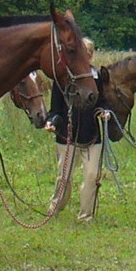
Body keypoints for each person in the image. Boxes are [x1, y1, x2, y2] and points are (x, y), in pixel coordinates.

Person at [44, 82, 105, 222]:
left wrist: (104, 112)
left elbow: (103, 102)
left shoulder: (95, 77)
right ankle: (55, 207)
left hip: (92, 138)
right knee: (64, 177)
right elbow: (55, 110)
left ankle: (86, 216)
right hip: (67, 138)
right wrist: (51, 122)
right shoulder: (60, 81)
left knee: (92, 176)